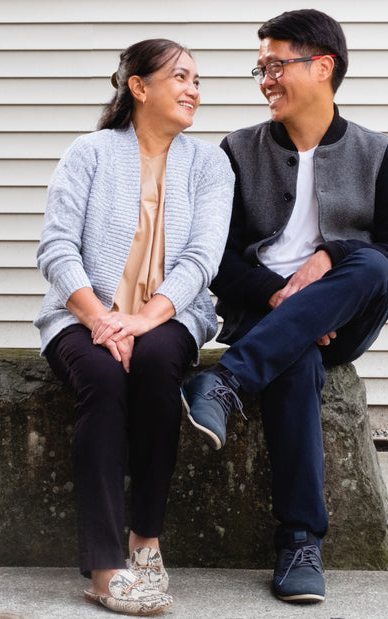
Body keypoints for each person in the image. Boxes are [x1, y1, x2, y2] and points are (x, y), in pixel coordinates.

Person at [181, 10, 388, 604]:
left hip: (343, 322)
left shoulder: (376, 152)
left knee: (371, 263)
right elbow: (216, 257)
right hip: (264, 317)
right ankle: (300, 542)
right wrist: (281, 295)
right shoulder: (237, 152)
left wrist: (328, 261)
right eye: (259, 67)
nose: (265, 78)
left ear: (323, 67)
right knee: (292, 360)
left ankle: (227, 381)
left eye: (276, 64)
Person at [35, 39, 234, 616]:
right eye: (181, 76)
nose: (194, 88)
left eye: (198, 79)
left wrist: (143, 319)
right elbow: (55, 248)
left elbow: (202, 259)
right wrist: (101, 319)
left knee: (154, 367)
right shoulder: (90, 153)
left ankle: (145, 540)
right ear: (139, 87)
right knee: (101, 379)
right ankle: (104, 565)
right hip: (82, 314)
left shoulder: (209, 164)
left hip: (170, 314)